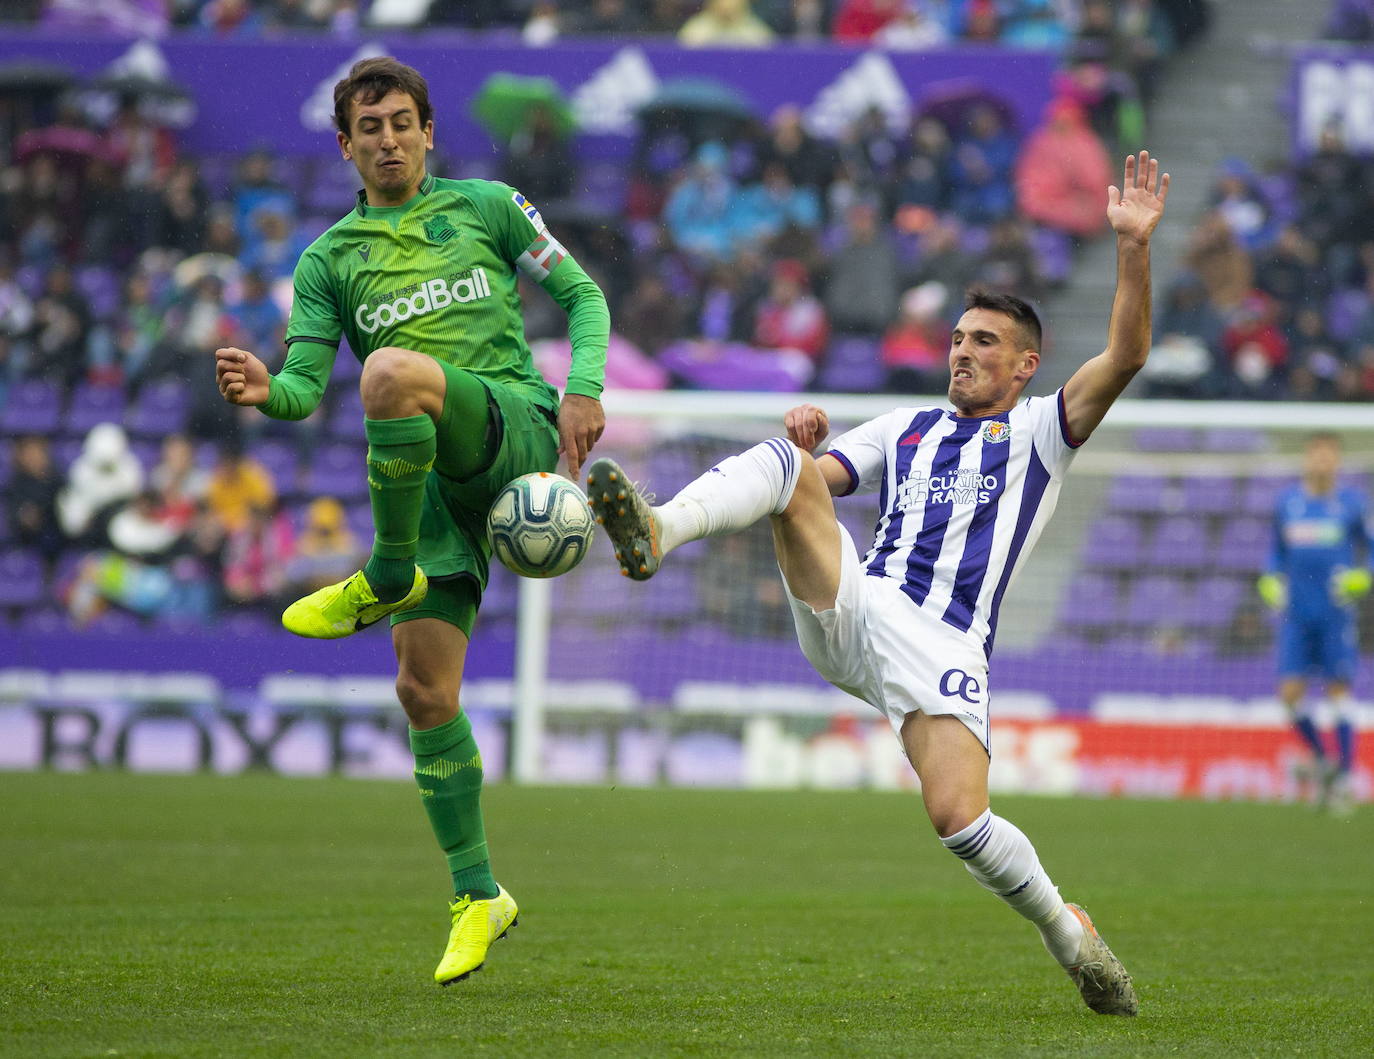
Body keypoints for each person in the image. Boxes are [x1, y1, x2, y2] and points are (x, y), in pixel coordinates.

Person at [589, 151, 1172, 1017]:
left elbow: (1126, 353)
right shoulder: (905, 426)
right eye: (958, 337)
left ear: (1024, 367)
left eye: (985, 342)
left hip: (944, 644)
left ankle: (1070, 934)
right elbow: (818, 480)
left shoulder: (1044, 432)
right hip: (856, 602)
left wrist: (1131, 245)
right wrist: (807, 437)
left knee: (960, 822)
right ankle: (659, 527)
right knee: (788, 466)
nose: (963, 352)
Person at [212, 57, 609, 985]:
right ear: (345, 145)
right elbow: (308, 386)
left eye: (401, 122)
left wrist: (583, 387)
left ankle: (386, 575)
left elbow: (583, 297)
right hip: (429, 486)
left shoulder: (491, 206)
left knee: (390, 372)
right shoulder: (326, 262)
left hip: (512, 422)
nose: (387, 139)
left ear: (428, 131)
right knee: (424, 694)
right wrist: (269, 391)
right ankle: (479, 893)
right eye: (369, 128)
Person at [1257, 433, 1370, 813]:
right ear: (1308, 459)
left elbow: (1371, 550)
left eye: (1329, 456)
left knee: (1338, 691)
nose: (1322, 462)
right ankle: (1323, 760)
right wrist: (1270, 576)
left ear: (1337, 462)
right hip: (1296, 615)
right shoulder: (1288, 502)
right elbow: (1276, 550)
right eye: (1316, 455)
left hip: (1335, 612)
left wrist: (1363, 576)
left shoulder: (1352, 504)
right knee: (1289, 694)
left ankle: (1345, 779)